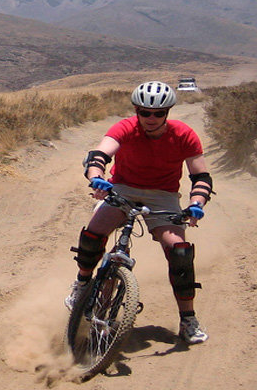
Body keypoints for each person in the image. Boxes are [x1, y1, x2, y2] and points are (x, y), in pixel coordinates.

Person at [65, 80, 214, 344]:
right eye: (145, 112)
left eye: (158, 113)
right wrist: (96, 176)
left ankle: (188, 319)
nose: (151, 118)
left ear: (167, 113)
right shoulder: (125, 127)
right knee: (94, 233)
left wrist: (196, 205)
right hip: (123, 188)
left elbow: (200, 176)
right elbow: (100, 154)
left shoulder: (184, 134)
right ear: (136, 110)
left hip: (163, 197)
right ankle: (82, 284)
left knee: (179, 252)